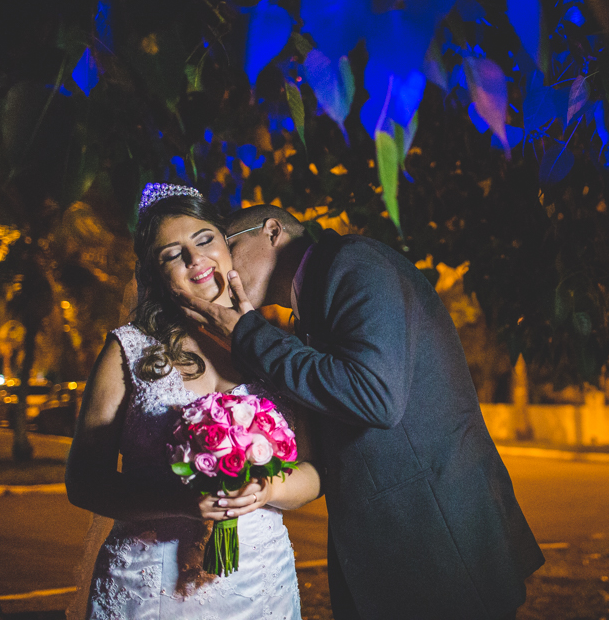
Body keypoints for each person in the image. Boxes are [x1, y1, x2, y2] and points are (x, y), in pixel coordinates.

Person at [177, 205, 545, 620]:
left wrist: (248, 334)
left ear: (272, 231)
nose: (222, 267)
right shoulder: (311, 305)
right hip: (400, 547)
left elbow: (375, 396)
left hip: (439, 540)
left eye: (226, 246)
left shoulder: (353, 263)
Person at [65, 184, 321, 620]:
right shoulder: (128, 351)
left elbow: (316, 473)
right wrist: (180, 500)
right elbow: (84, 481)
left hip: (259, 585)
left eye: (204, 239)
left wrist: (266, 488)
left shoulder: (279, 351)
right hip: (149, 589)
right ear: (154, 273)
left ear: (226, 244)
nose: (194, 259)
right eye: (171, 253)